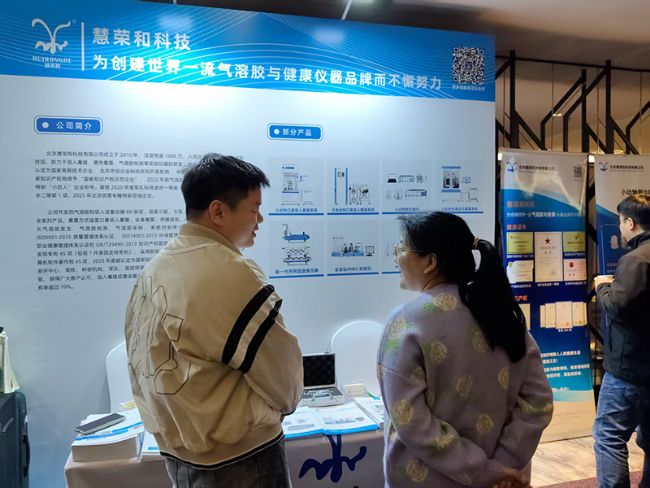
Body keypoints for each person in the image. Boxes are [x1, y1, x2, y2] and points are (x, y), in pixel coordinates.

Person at [125, 154, 303, 488]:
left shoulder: (155, 268)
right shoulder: (231, 272)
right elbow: (283, 374)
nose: (260, 219)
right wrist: (285, 405)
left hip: (179, 455)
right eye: (254, 209)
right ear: (218, 211)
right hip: (242, 457)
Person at [377, 211, 553, 488]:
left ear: (430, 262)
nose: (397, 257)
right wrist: (503, 466)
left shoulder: (406, 322)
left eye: (401, 249)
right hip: (504, 481)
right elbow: (538, 402)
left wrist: (481, 470)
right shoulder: (502, 314)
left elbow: (409, 419)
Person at [594, 193, 650, 488]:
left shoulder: (636, 260)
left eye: (620, 221)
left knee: (609, 435)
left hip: (629, 368)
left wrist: (602, 287)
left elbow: (618, 306)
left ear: (630, 223)